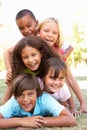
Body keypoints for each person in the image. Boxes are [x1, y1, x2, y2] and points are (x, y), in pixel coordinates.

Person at [37, 17, 87, 113]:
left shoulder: (59, 53)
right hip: (39, 87)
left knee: (62, 80)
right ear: (39, 32)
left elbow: (70, 79)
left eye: (54, 33)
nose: (50, 35)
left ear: (58, 36)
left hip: (53, 88)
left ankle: (65, 103)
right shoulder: (34, 48)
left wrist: (82, 102)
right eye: (46, 31)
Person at [0, 73, 77, 129]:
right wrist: (21, 121)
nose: (25, 99)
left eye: (30, 94)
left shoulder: (45, 99)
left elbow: (71, 119)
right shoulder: (14, 102)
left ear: (38, 94)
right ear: (16, 96)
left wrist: (35, 122)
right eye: (20, 95)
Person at [2, 34, 61, 104]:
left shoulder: (48, 66)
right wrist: (3, 108)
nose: (30, 60)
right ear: (21, 58)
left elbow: (63, 83)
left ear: (41, 53)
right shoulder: (21, 70)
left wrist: (71, 106)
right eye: (25, 57)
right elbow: (10, 88)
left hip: (47, 98)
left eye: (33, 55)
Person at [4, 9, 38, 83]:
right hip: (29, 76)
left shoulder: (43, 35)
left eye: (29, 25)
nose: (26, 30)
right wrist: (9, 70)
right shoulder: (24, 42)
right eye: (21, 28)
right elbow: (7, 52)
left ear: (36, 23)